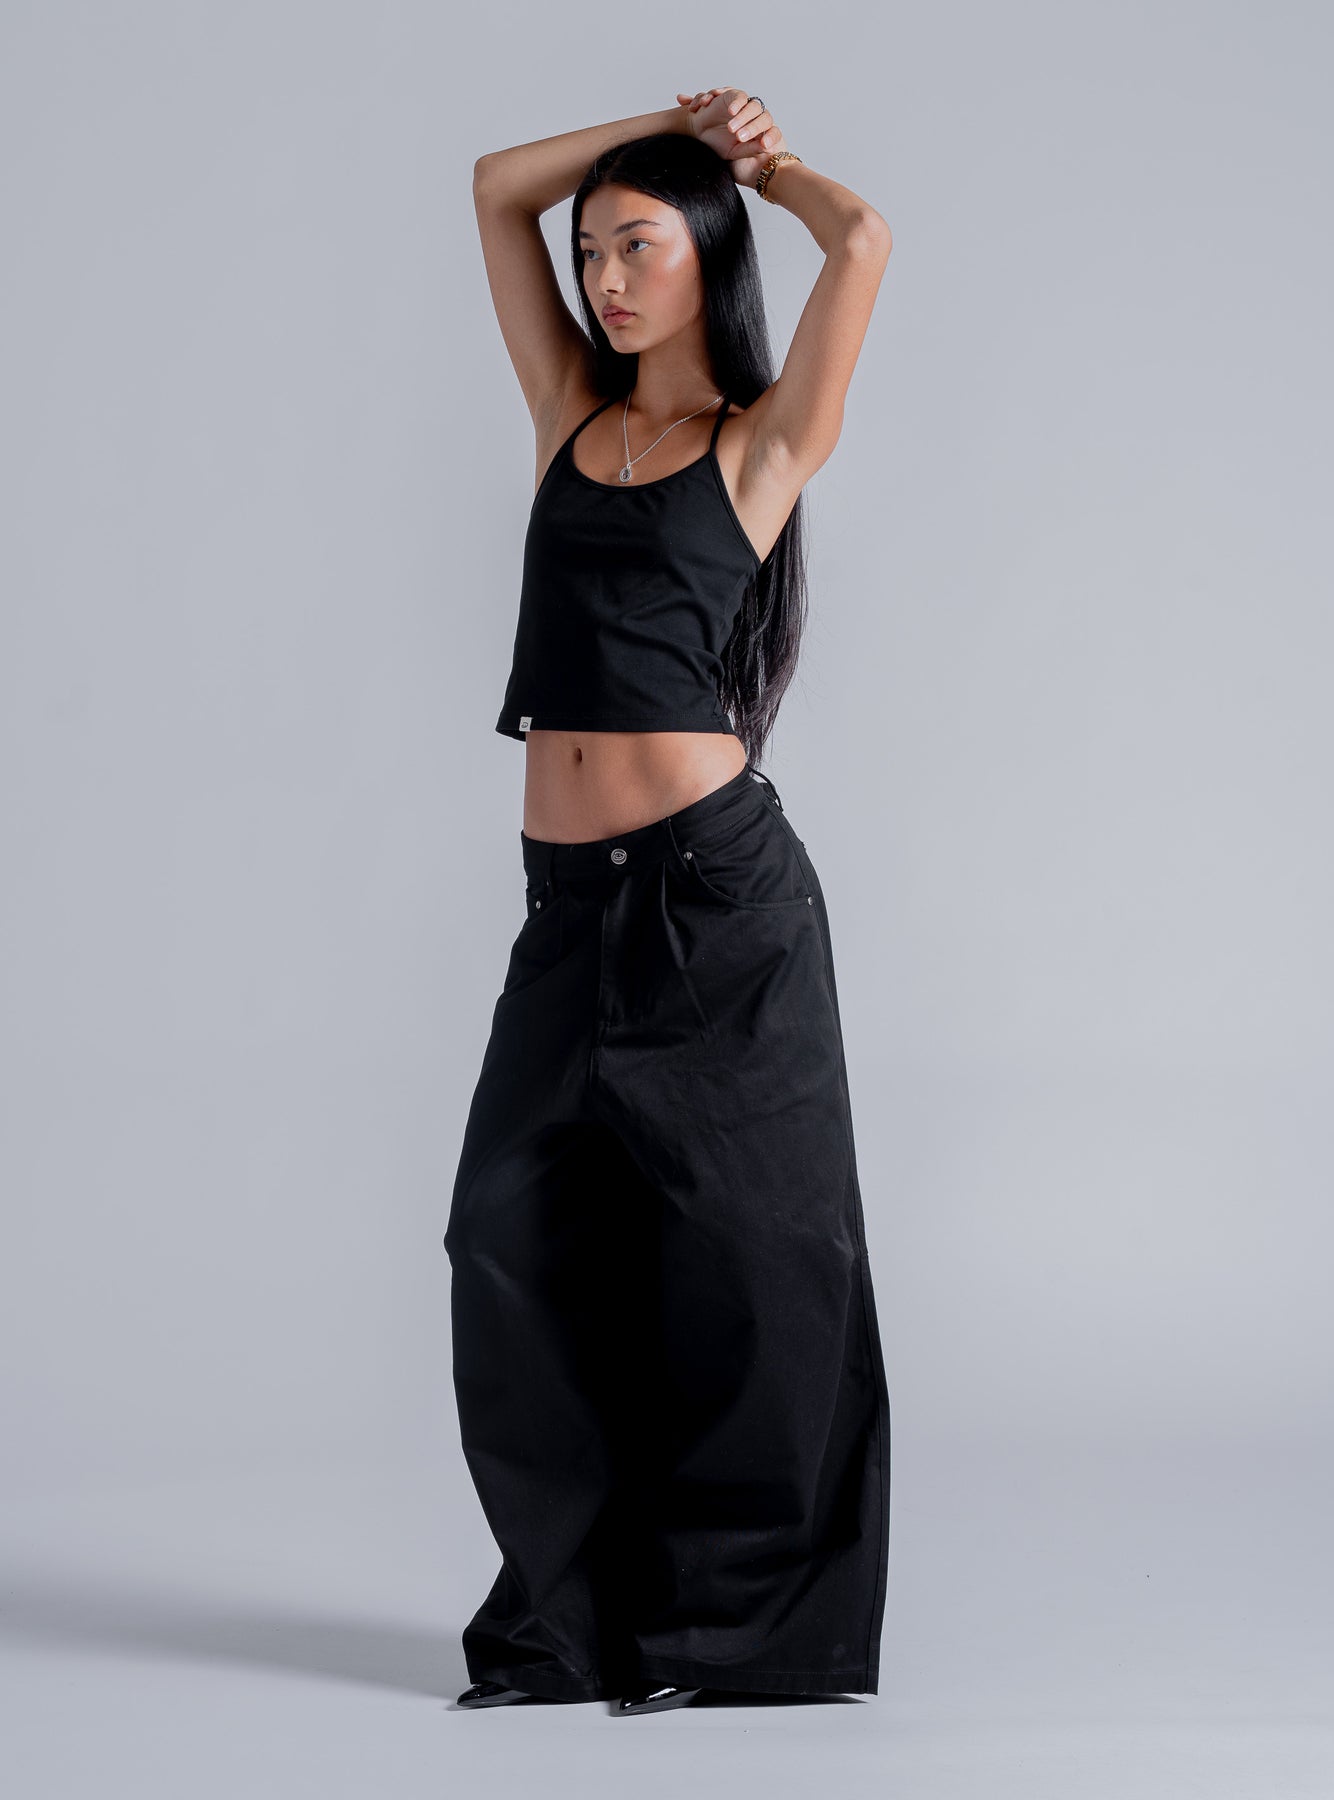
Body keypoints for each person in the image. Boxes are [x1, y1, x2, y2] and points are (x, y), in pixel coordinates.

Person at [444, 86, 893, 1718]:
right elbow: (494, 187)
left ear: (707, 254)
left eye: (640, 246)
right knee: (506, 1235)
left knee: (751, 1264)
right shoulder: (568, 411)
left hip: (717, 906)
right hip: (566, 910)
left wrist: (755, 167)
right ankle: (565, 1625)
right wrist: (657, 121)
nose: (606, 278)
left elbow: (862, 239)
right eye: (592, 255)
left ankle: (729, 1634)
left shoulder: (760, 447)